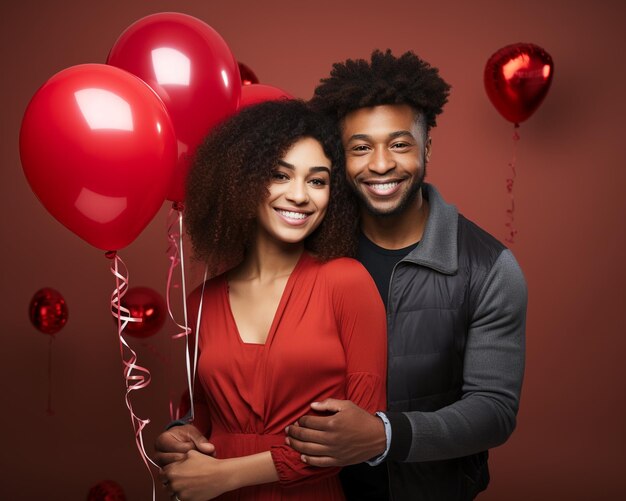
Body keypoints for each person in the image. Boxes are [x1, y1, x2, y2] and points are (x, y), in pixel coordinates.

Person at [285, 50, 528, 500]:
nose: (380, 165)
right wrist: (193, 425)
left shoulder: (490, 268)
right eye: (361, 147)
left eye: (399, 144)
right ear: (341, 158)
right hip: (310, 489)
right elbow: (247, 358)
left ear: (427, 148)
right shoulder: (306, 247)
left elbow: (494, 410)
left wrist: (385, 436)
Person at [154, 99, 387, 501]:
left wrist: (228, 475)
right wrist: (181, 439)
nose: (300, 196)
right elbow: (206, 422)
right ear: (240, 182)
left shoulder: (347, 282)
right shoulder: (200, 302)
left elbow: (354, 438)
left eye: (318, 181)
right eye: (280, 175)